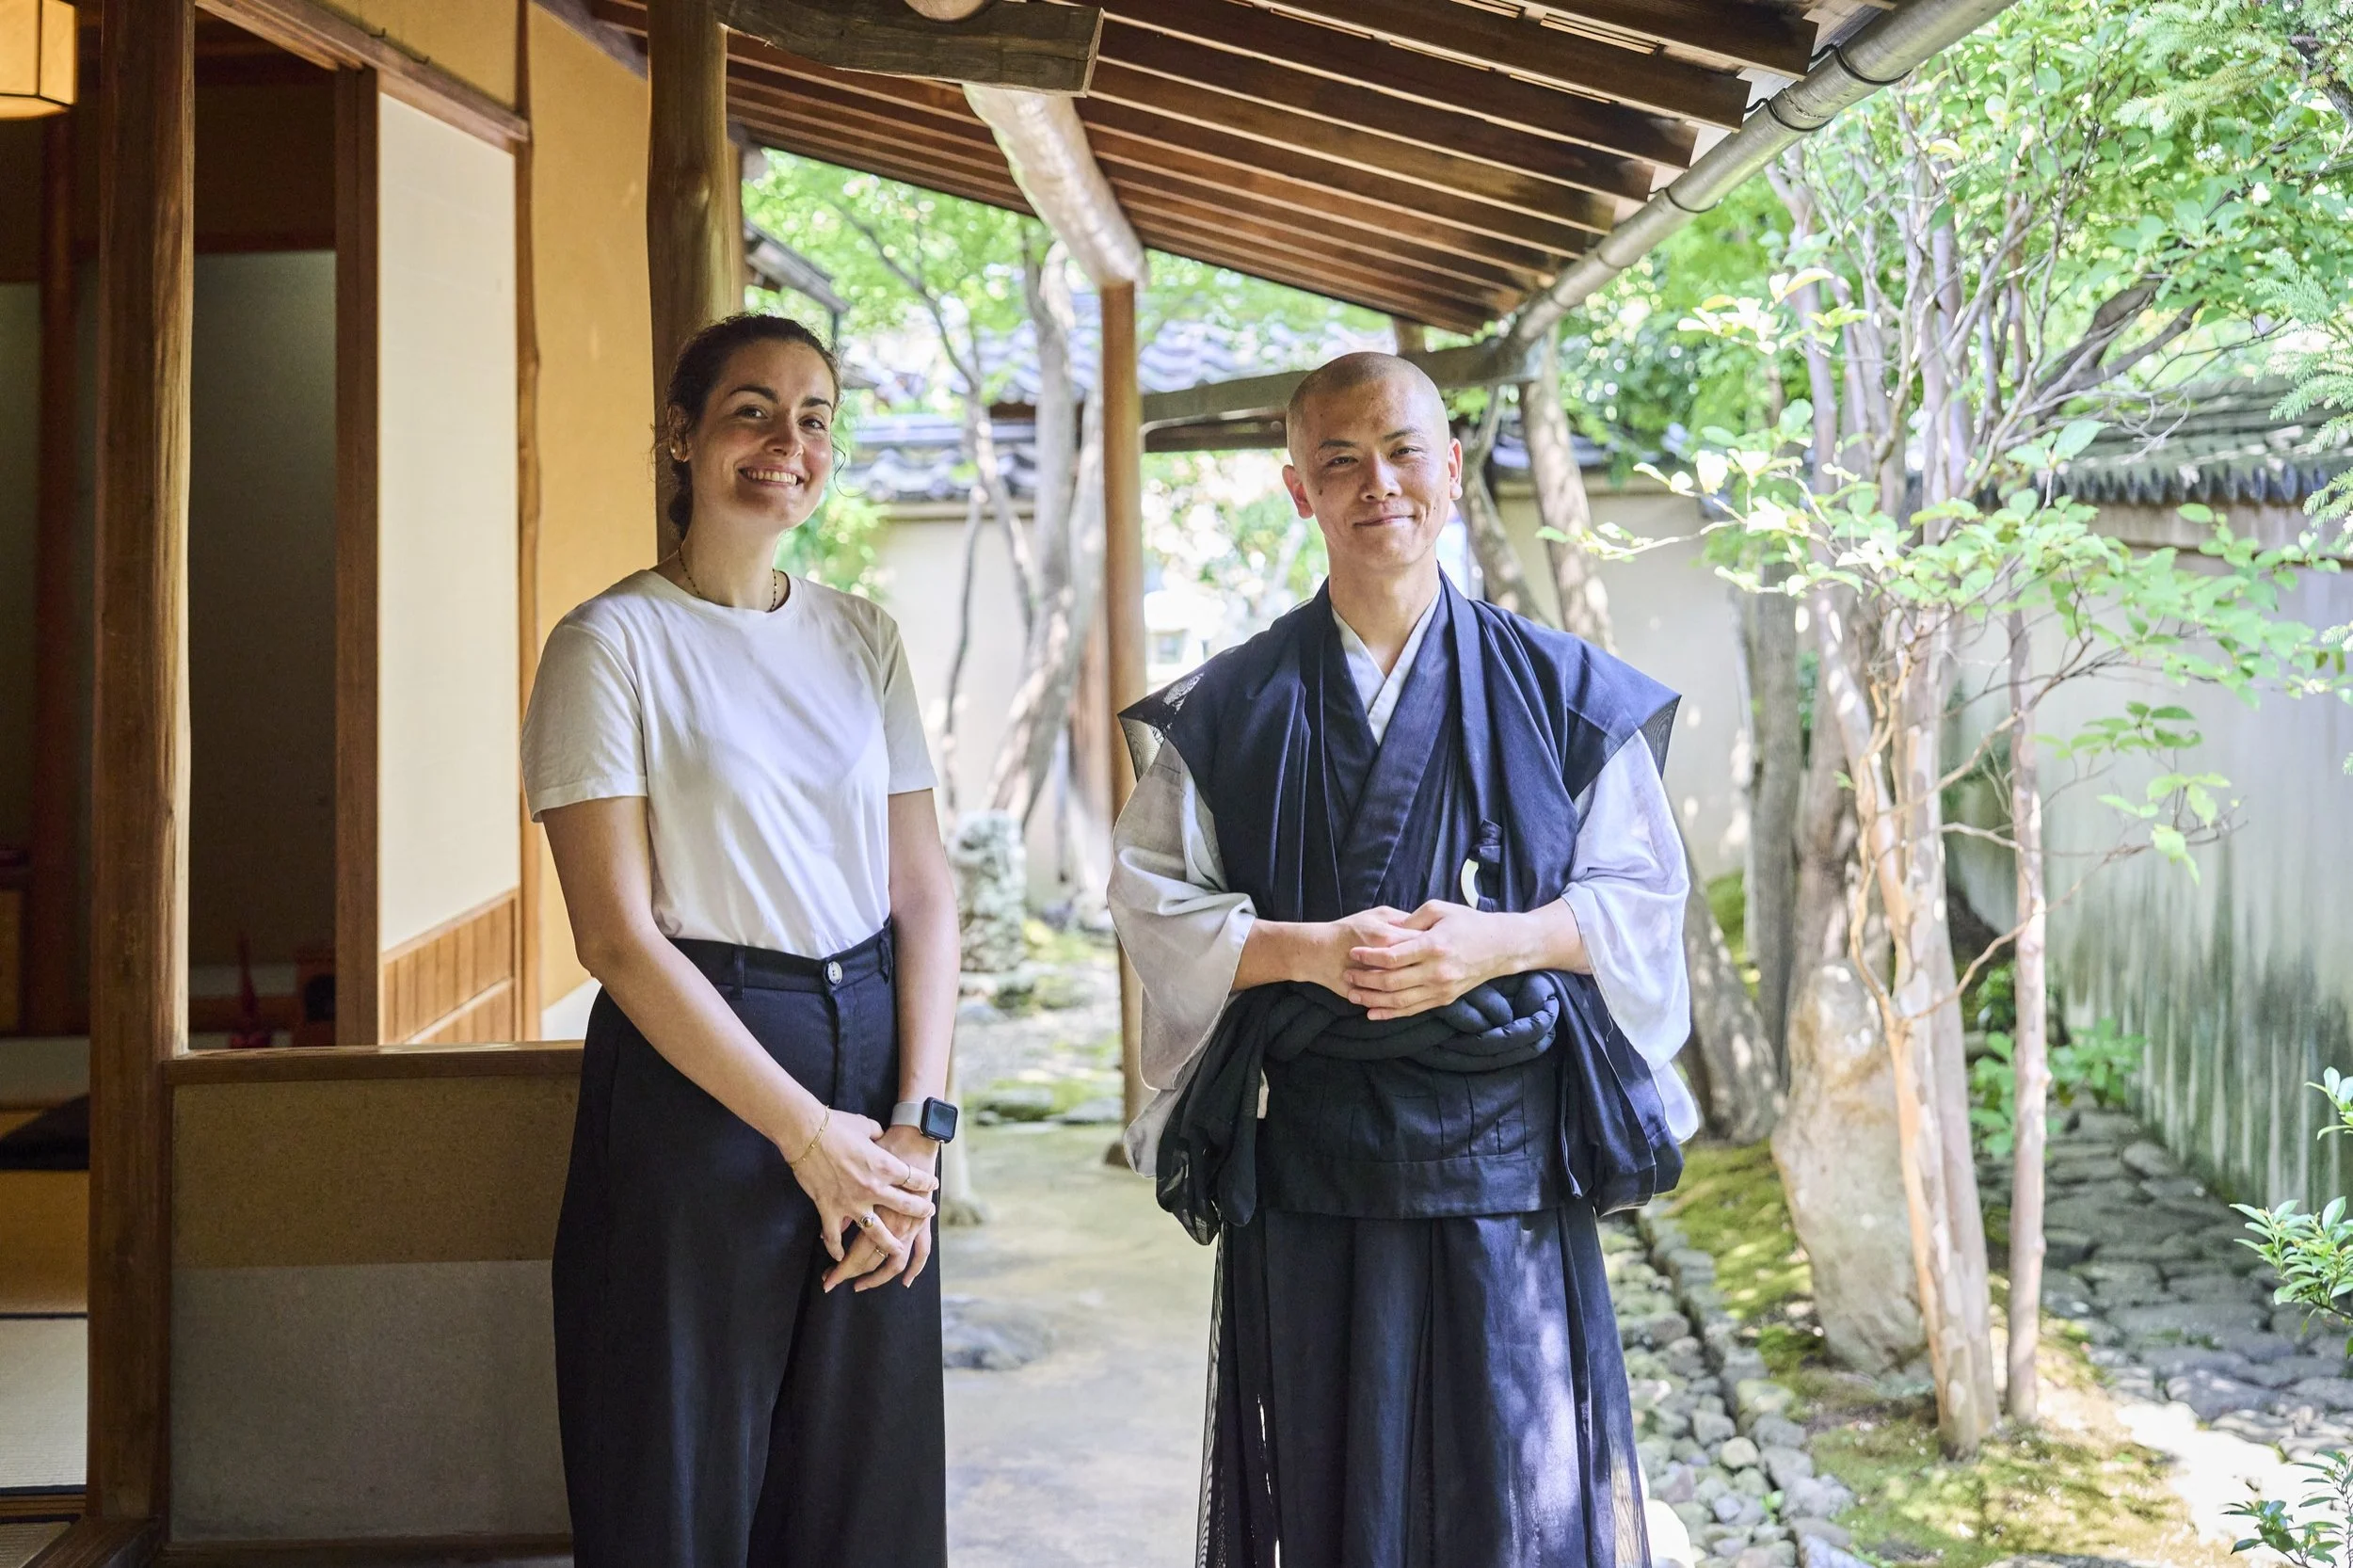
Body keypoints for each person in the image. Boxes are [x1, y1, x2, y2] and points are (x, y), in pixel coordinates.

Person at [1110, 352, 1698, 1568]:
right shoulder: (1229, 707)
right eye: (1340, 460)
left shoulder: (1558, 690)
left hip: (1504, 1170)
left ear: (1450, 464)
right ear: (1297, 491)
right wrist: (1307, 952)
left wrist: (1503, 942)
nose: (1377, 482)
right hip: (1315, 1167)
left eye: (1402, 451)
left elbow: (1645, 904)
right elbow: (1152, 908)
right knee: (1333, 1499)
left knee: (1513, 1500)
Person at [522, 313, 962, 1568]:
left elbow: (923, 891)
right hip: (698, 1083)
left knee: (863, 1478)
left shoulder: (863, 634)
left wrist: (912, 1134)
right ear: (681, 435)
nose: (789, 443)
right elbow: (612, 935)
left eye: (815, 415)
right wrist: (801, 1132)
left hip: (875, 1080)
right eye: (752, 410)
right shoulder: (610, 645)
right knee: (680, 1477)